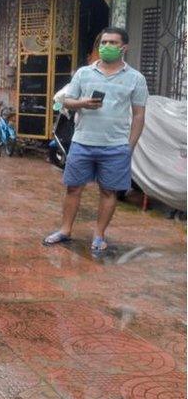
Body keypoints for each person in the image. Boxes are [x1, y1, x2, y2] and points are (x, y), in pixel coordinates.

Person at [42, 27, 147, 253]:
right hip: (82, 142)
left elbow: (139, 115)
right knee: (73, 188)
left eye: (112, 43)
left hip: (116, 146)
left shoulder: (136, 78)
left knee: (109, 192)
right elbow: (64, 101)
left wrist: (129, 147)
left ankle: (99, 236)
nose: (106, 46)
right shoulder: (83, 73)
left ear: (124, 47)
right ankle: (65, 230)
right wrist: (82, 103)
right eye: (104, 42)